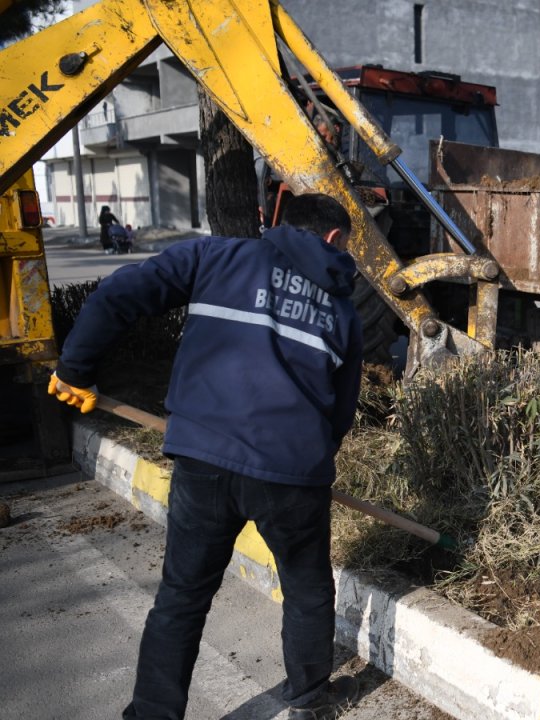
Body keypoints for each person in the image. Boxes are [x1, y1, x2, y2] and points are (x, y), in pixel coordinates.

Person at [49, 193, 365, 719]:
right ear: (334, 239)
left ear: (281, 223)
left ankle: (152, 715)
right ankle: (310, 701)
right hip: (292, 471)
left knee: (181, 598)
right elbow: (342, 410)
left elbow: (118, 294)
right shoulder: (342, 311)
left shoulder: (215, 257)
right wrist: (310, 461)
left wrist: (76, 369)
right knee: (307, 590)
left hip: (204, 459)